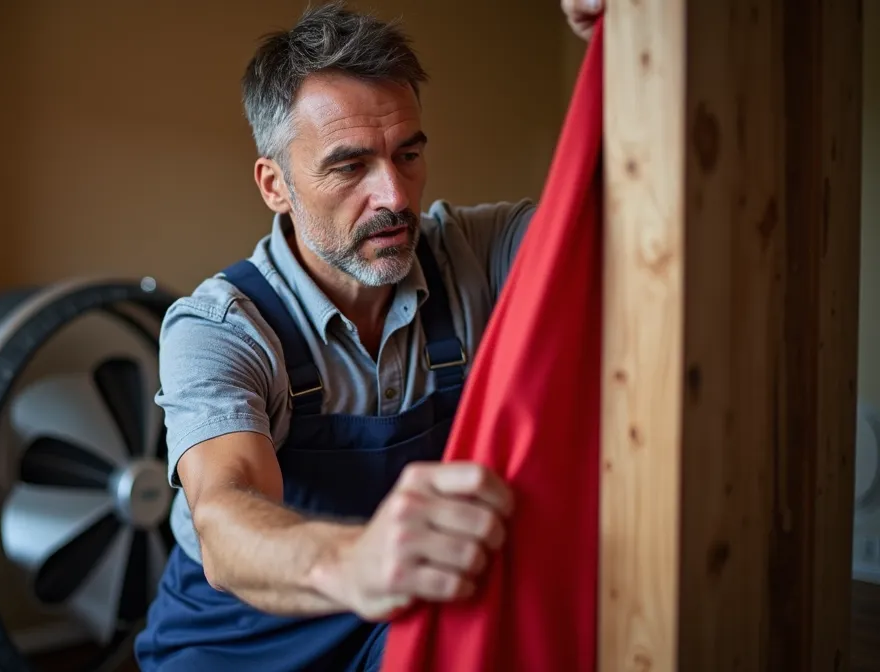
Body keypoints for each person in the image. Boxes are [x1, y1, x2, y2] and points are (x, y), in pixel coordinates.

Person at [133, 1, 603, 670]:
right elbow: (224, 515)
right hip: (232, 647)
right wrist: (357, 560)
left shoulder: (481, 253)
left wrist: (624, 43)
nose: (395, 196)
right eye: (350, 167)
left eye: (408, 155)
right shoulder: (219, 326)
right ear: (276, 184)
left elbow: (624, 211)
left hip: (398, 631)